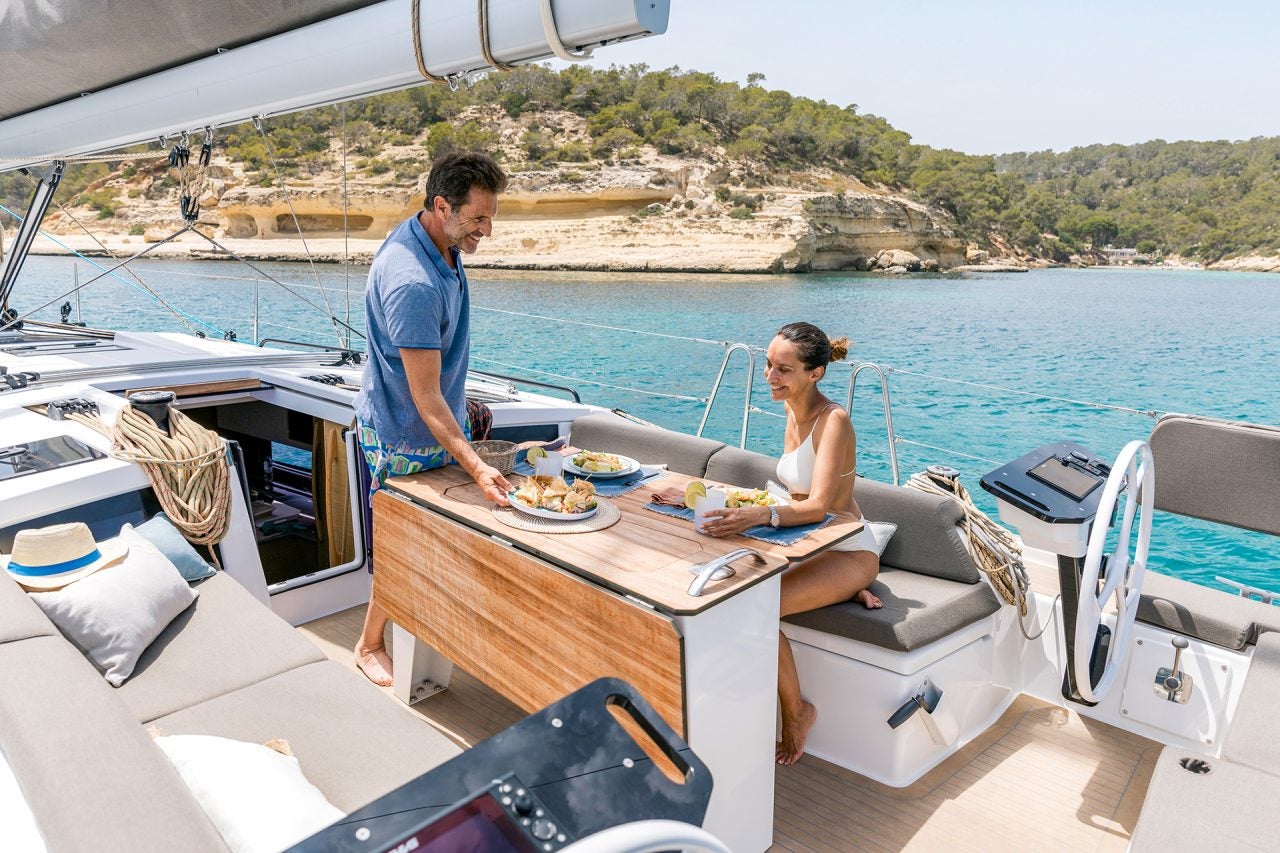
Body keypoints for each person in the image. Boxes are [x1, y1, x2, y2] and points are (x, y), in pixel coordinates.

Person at [351, 150, 512, 687]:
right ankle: (369, 643)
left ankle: (436, 631)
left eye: (491, 217)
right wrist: (476, 465)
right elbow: (424, 395)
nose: (487, 231)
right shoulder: (412, 281)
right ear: (441, 206)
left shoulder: (441, 241)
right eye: (478, 219)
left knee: (434, 542)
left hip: (434, 420)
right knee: (406, 545)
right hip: (403, 433)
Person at [698, 321, 882, 765]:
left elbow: (819, 505)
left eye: (783, 369)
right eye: (767, 364)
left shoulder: (832, 420)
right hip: (806, 544)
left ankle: (797, 711)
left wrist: (761, 514)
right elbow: (796, 497)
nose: (769, 377)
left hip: (847, 548)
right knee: (711, 579)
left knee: (756, 607)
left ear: (815, 373)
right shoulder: (792, 408)